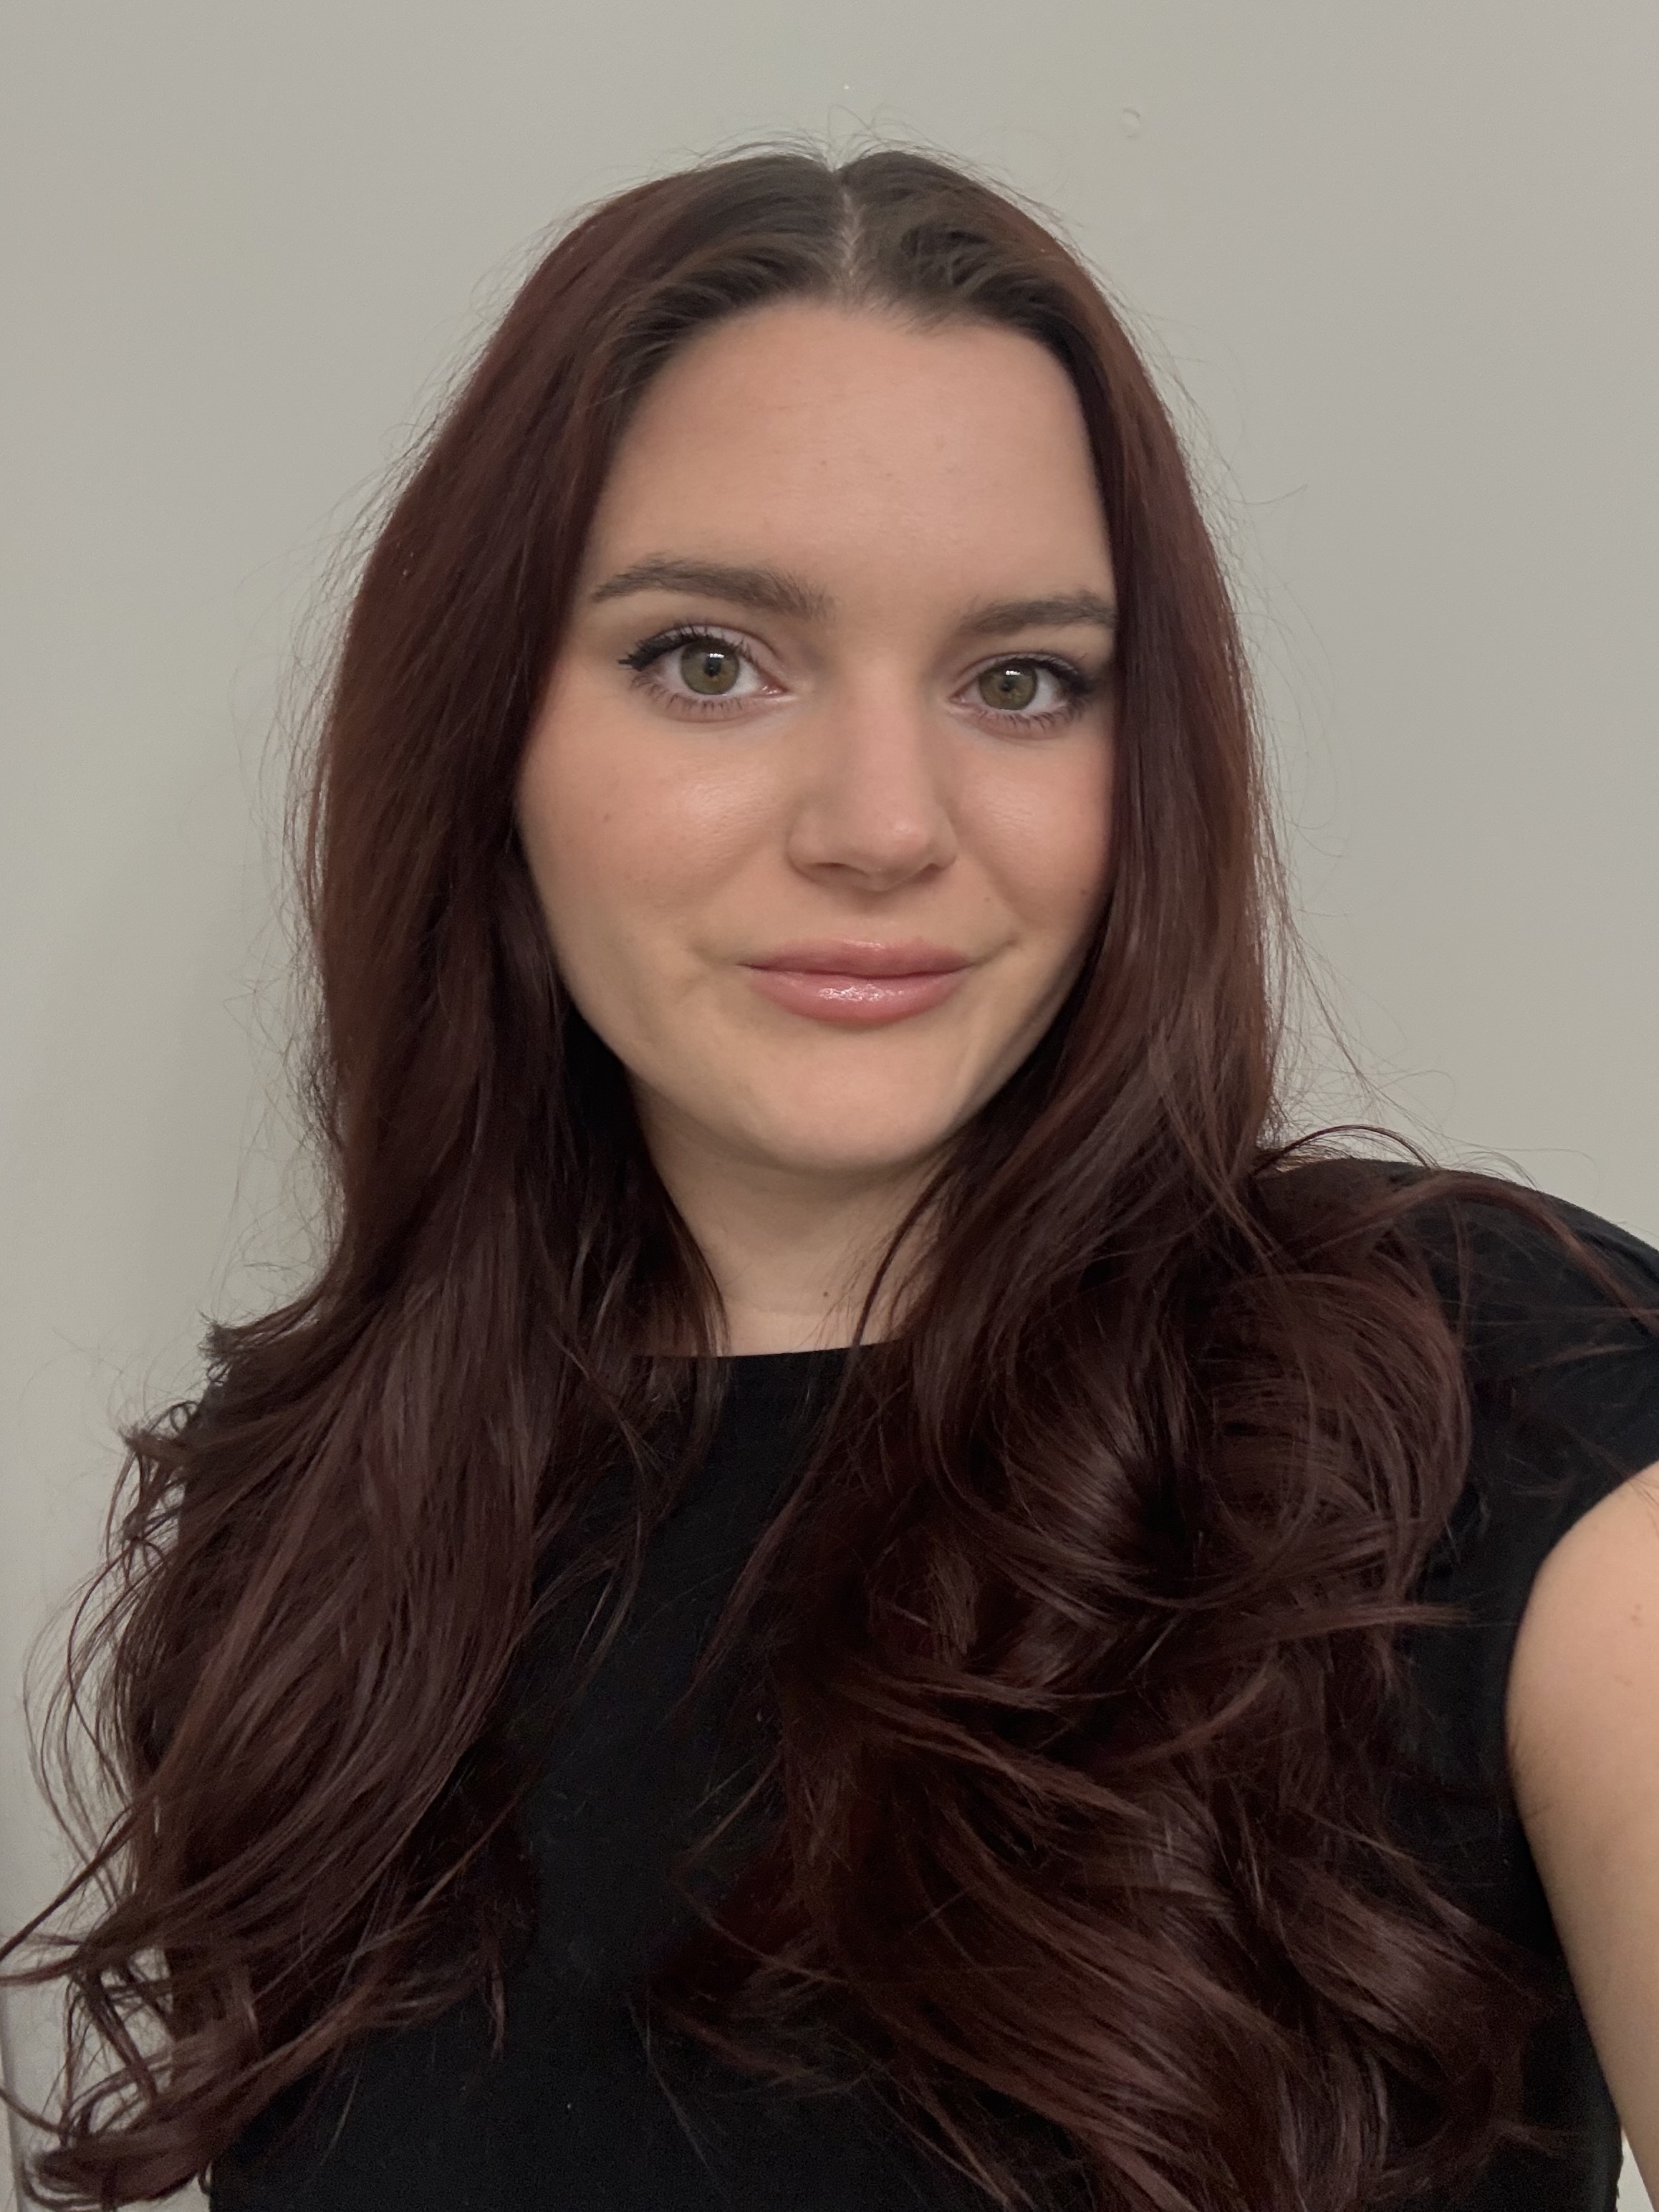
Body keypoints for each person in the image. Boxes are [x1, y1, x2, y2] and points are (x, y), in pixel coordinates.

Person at [4, 145, 1656, 2212]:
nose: (884, 823)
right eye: (710, 658)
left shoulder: (1505, 1407)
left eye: (1020, 680)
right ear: (489, 738)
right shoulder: (312, 1539)